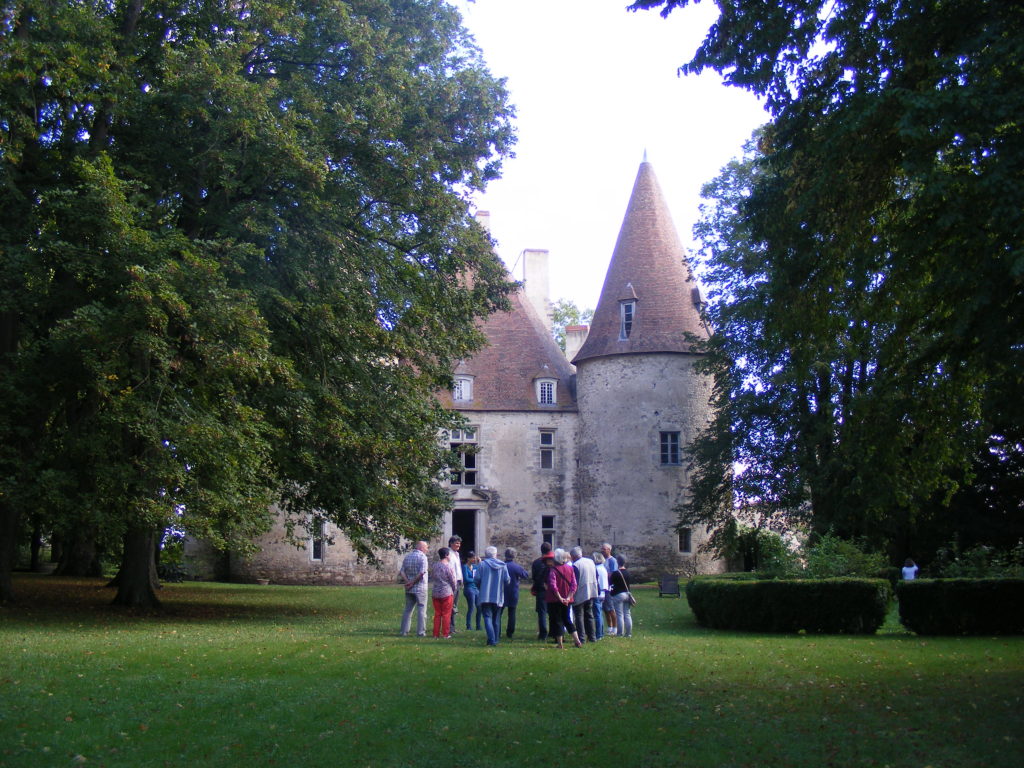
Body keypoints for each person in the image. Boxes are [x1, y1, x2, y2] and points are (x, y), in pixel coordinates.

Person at [545, 548, 582, 649]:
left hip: (555, 599)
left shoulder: (553, 570)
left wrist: (560, 598)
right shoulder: (570, 569)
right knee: (567, 619)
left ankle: (560, 643)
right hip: (568, 599)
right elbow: (574, 584)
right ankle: (577, 641)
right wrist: (568, 597)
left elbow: (553, 586)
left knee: (558, 620)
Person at [475, 546, 510, 646]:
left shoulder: (482, 565)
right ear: (495, 554)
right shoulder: (503, 565)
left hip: (485, 595)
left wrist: (481, 587)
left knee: (487, 617)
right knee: (496, 618)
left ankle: (491, 639)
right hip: (498, 595)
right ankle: (495, 639)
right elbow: (507, 580)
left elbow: (476, 579)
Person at [398, 541, 429, 637]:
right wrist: (412, 582)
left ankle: (404, 631)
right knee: (421, 610)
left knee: (408, 609)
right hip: (420, 587)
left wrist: (407, 581)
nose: (427, 550)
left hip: (409, 588)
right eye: (426, 548)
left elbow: (402, 571)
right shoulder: (423, 557)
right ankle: (421, 632)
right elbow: (422, 572)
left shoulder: (408, 556)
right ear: (421, 548)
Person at [500, 547, 531, 639]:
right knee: (512, 613)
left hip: (502, 592)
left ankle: (496, 630)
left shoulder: (501, 566)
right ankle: (510, 632)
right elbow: (525, 575)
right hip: (513, 592)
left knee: (498, 613)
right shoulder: (516, 567)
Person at [570, 546, 598, 643]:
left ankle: (581, 638)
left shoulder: (576, 565)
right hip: (591, 591)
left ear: (573, 556)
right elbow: (596, 575)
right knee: (589, 614)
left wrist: (571, 594)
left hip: (581, 593)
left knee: (579, 616)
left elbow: (575, 581)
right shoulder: (590, 561)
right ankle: (592, 636)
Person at [430, 547, 458, 638]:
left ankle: (435, 633)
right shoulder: (448, 566)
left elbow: (432, 576)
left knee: (437, 614)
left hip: (436, 592)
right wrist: (454, 589)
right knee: (446, 614)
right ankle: (445, 633)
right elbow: (453, 580)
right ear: (446, 555)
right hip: (446, 592)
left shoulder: (434, 566)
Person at [531, 542, 553, 641]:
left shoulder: (536, 562)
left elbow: (534, 577)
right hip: (552, 590)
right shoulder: (553, 561)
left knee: (542, 613)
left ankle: (543, 634)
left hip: (541, 590)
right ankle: (553, 632)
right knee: (553, 612)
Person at [608, 555, 633, 638]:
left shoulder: (616, 573)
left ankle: (620, 633)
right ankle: (628, 633)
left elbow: (610, 583)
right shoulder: (628, 573)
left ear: (617, 562)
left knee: (619, 614)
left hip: (618, 594)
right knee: (627, 614)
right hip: (627, 594)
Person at [601, 543, 618, 635]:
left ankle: (615, 628)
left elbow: (613, 574)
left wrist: (604, 575)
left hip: (609, 587)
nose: (602, 550)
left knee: (611, 608)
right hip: (604, 587)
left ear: (609, 550)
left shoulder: (612, 561)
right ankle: (609, 626)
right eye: (602, 549)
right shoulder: (603, 560)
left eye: (604, 549)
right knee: (605, 609)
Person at [447, 535, 463, 634]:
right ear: (451, 544)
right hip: (452, 583)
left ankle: (452, 627)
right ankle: (449, 627)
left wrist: (461, 579)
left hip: (457, 581)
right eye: (456, 543)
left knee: (454, 606)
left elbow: (458, 569)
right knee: (450, 605)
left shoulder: (456, 554)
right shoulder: (449, 554)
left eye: (459, 543)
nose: (458, 545)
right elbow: (450, 569)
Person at [592, 551, 609, 640]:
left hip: (598, 593)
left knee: (597, 614)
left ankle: (598, 634)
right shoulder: (603, 568)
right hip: (603, 592)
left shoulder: (597, 569)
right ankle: (600, 632)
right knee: (599, 614)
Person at [462, 551, 481, 630]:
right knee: (471, 607)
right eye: (473, 558)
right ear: (468, 558)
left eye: (475, 558)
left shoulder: (475, 567)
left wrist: (480, 562)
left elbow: (480, 574)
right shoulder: (464, 567)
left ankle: (478, 625)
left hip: (476, 588)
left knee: (479, 607)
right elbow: (466, 579)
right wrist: (474, 579)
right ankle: (468, 625)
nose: (474, 559)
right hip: (469, 589)